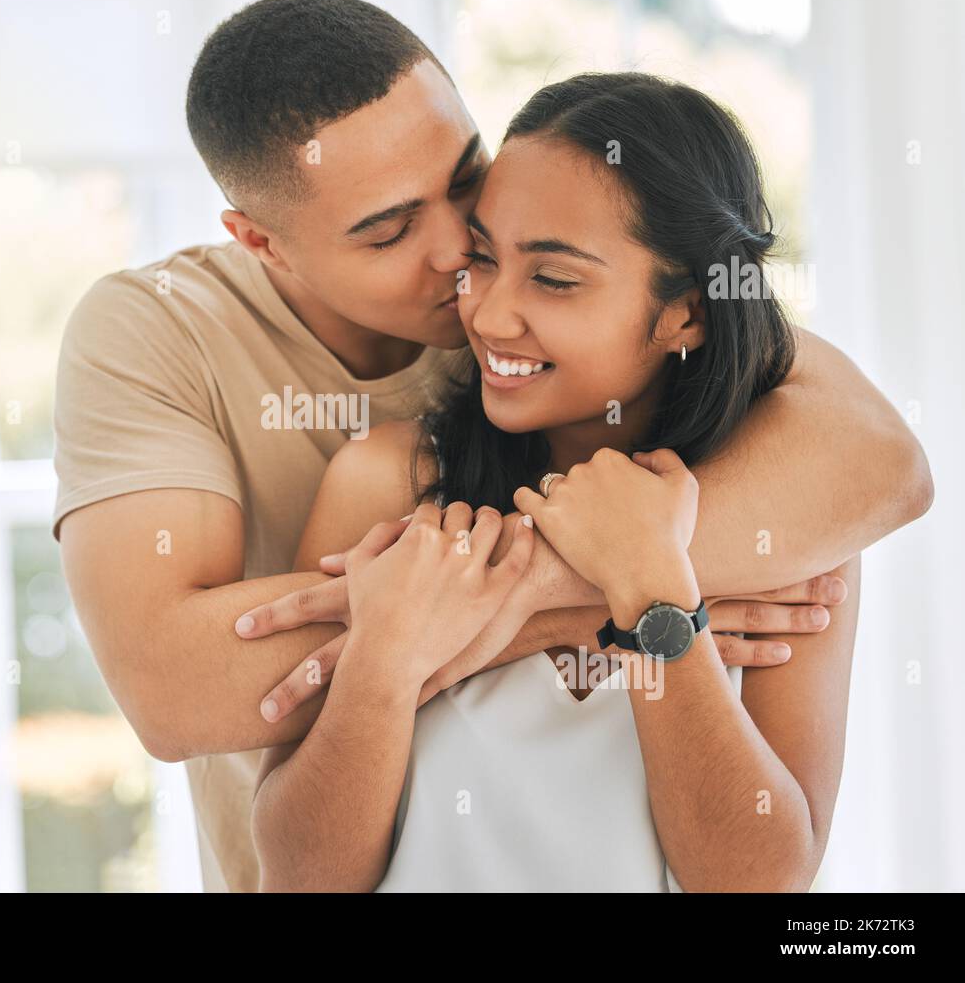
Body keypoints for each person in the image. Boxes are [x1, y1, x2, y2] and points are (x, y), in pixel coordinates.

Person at [53, 0, 932, 892]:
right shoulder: (200, 358)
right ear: (261, 244)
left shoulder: (751, 462)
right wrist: (568, 606)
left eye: (467, 185)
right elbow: (172, 696)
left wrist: (597, 588)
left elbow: (886, 462)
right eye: (393, 229)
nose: (465, 279)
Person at [248, 73, 888, 891]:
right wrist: (384, 664)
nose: (487, 314)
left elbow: (757, 882)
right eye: (483, 258)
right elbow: (302, 879)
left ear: (686, 312)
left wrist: (654, 591)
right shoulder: (389, 485)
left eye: (552, 279)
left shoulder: (789, 520)